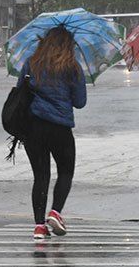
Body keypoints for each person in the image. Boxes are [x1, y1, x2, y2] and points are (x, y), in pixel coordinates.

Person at [17, 26, 87, 240]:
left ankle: (39, 226)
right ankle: (55, 212)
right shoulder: (72, 67)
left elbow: (20, 88)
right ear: (68, 45)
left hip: (33, 127)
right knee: (65, 171)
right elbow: (80, 102)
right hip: (60, 128)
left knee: (41, 176)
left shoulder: (32, 62)